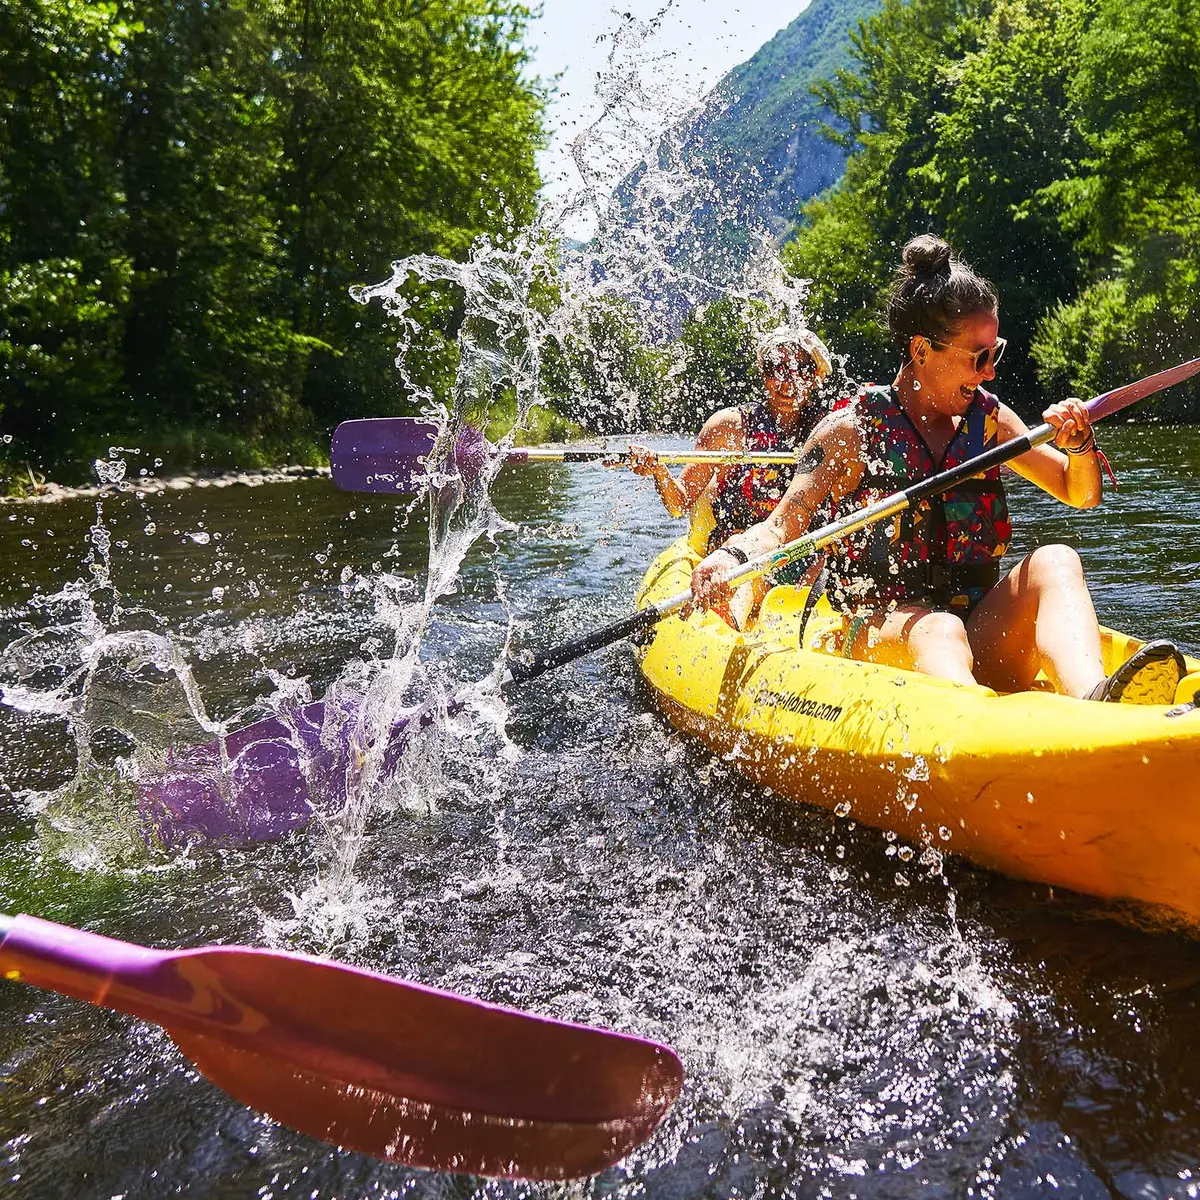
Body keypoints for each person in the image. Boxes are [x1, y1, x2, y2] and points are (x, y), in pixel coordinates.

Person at [690, 234, 1185, 703]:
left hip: (977, 629)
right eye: (979, 357)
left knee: (1055, 560)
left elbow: (1080, 493)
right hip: (881, 632)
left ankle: (1093, 697)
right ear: (922, 350)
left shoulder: (989, 419)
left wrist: (1078, 447)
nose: (990, 371)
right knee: (937, 629)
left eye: (997, 353)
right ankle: (978, 725)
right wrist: (729, 560)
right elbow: (780, 526)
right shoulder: (849, 432)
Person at [626, 327, 833, 625]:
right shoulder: (729, 427)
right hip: (735, 553)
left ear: (816, 378)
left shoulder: (831, 431)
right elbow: (678, 503)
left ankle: (806, 628)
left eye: (801, 368)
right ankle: (730, 624)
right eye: (778, 368)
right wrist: (658, 470)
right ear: (764, 373)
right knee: (753, 570)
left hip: (801, 550)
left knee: (829, 560)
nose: (788, 380)